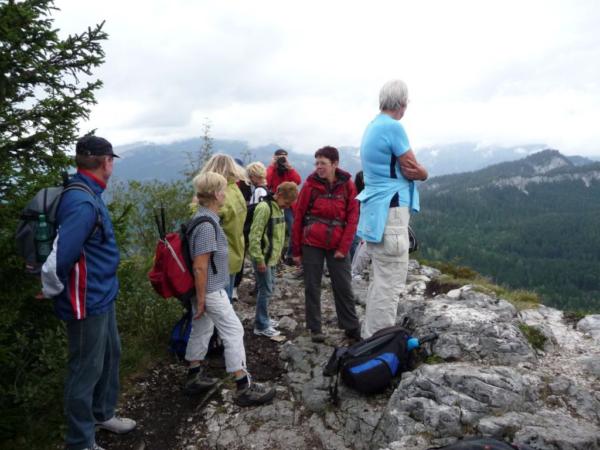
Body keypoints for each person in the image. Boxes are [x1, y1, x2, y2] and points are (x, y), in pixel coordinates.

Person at [41, 136, 135, 450]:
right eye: (111, 160)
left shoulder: (88, 192)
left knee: (110, 354)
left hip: (101, 293)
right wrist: (50, 287)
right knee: (85, 369)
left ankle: (102, 413)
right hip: (85, 299)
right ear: (106, 161)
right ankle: (80, 442)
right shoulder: (82, 202)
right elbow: (62, 255)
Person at [184, 171, 276, 406]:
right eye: (223, 190)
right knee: (234, 331)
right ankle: (243, 386)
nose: (226, 194)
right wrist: (202, 298)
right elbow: (200, 266)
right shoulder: (207, 225)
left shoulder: (204, 218)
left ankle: (194, 375)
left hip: (205, 289)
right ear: (216, 194)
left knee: (202, 328)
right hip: (211, 290)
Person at [356, 79, 428, 339]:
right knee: (390, 285)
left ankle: (369, 338)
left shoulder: (373, 126)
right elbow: (413, 168)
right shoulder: (393, 127)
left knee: (380, 280)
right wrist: (425, 173)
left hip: (377, 212)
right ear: (402, 103)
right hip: (392, 212)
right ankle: (379, 346)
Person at [291, 146, 361, 343]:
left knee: (343, 286)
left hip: (338, 243)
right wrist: (296, 251)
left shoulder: (348, 185)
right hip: (311, 242)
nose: (318, 167)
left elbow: (353, 217)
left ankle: (351, 326)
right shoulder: (310, 186)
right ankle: (315, 328)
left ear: (335, 164)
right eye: (317, 163)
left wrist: (344, 248)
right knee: (312, 286)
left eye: (323, 163)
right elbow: (298, 217)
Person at [249, 181, 298, 337]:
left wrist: (278, 256)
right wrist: (259, 259)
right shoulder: (265, 208)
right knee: (265, 290)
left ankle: (264, 318)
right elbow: (255, 236)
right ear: (279, 194)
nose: (287, 206)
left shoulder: (279, 209)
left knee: (269, 288)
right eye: (287, 202)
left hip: (272, 258)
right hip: (263, 258)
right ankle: (261, 325)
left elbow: (278, 235)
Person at [199, 154, 247, 302]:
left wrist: (194, 205)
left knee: (220, 303)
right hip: (236, 251)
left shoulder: (221, 195)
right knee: (227, 300)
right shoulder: (236, 190)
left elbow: (205, 220)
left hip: (220, 258)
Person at [266, 149, 301, 264]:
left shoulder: (288, 170)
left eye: (284, 157)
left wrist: (289, 167)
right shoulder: (273, 170)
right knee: (274, 229)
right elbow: (266, 181)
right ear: (274, 157)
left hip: (288, 206)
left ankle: (289, 255)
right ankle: (275, 254)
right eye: (279, 157)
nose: (282, 159)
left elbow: (297, 181)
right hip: (275, 203)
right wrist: (272, 165)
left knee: (293, 229)